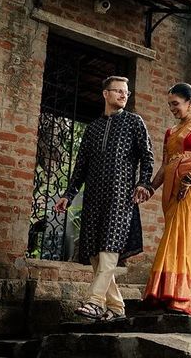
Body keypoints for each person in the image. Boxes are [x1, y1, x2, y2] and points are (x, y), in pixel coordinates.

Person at [54, 76, 154, 322]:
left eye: (126, 92)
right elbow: (81, 167)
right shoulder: (93, 129)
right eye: (118, 91)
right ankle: (117, 307)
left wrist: (143, 183)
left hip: (121, 197)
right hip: (94, 198)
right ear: (105, 94)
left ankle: (95, 302)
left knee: (110, 249)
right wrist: (68, 195)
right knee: (95, 256)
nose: (123, 95)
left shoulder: (134, 122)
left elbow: (147, 157)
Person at [143, 83, 191, 315]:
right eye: (169, 105)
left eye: (175, 104)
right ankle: (164, 292)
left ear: (190, 102)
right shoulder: (170, 132)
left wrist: (189, 179)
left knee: (185, 234)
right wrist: (150, 188)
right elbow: (165, 165)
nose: (172, 109)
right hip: (173, 186)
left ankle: (182, 295)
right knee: (173, 234)